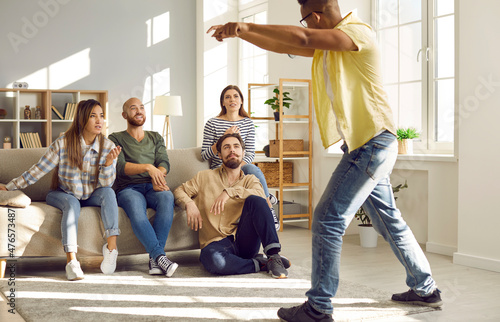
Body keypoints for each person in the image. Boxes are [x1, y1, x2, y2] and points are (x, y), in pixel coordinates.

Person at [208, 0, 442, 321]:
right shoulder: (330, 47)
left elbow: (302, 39)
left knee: (327, 219)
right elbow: (286, 44)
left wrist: (245, 25)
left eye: (305, 21)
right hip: (370, 144)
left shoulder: (355, 33)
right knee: (388, 220)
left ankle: (318, 306)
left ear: (314, 16)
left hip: (371, 143)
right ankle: (425, 287)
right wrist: (241, 34)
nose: (305, 28)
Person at [0, 99, 121, 281]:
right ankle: (72, 262)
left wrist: (108, 164)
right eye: (93, 116)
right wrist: (9, 187)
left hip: (91, 194)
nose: (99, 121)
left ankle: (111, 249)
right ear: (82, 119)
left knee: (109, 193)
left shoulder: (109, 147)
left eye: (101, 116)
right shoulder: (63, 143)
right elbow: (38, 170)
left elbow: (106, 184)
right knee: (72, 204)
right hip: (63, 193)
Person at [174, 133, 290, 278]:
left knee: (256, 200)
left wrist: (230, 192)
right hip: (215, 242)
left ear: (243, 153)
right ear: (219, 154)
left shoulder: (250, 179)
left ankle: (274, 256)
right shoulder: (204, 177)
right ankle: (261, 264)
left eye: (236, 147)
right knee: (214, 261)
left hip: (244, 241)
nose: (232, 150)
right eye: (226, 147)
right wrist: (189, 203)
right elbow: (179, 191)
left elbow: (261, 198)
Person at [108, 97, 178, 277]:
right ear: (124, 115)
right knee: (136, 209)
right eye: (133, 108)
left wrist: (158, 175)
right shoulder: (115, 138)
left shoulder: (155, 137)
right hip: (129, 189)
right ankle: (159, 255)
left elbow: (164, 163)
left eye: (142, 108)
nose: (139, 111)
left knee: (167, 197)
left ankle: (156, 260)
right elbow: (120, 167)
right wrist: (149, 167)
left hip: (154, 186)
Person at [201, 85, 280, 230]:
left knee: (251, 168)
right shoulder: (212, 123)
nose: (232, 99)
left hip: (241, 167)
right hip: (220, 169)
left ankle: (269, 207)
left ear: (241, 101)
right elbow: (204, 154)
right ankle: (269, 199)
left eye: (236, 96)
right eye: (228, 97)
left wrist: (237, 168)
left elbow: (250, 153)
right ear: (223, 102)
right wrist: (223, 137)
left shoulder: (247, 123)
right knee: (251, 173)